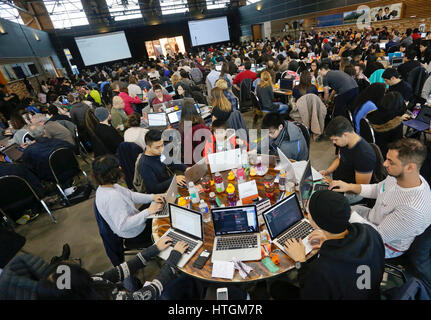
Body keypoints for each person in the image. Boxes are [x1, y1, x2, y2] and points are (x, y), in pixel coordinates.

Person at [270, 190, 385, 300]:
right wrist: (328, 241)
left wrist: (300, 260)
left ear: (317, 223)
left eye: (308, 212)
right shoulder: (370, 232)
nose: (307, 214)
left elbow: (308, 294)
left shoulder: (322, 269)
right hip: (368, 292)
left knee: (276, 287)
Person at [330, 138, 431, 259]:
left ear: (410, 167)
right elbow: (378, 189)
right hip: (372, 218)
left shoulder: (413, 210)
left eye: (391, 161)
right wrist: (349, 187)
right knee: (333, 216)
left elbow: (377, 236)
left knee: (332, 242)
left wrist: (350, 214)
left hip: (384, 244)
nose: (384, 164)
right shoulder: (399, 176)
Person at [0, 238, 190, 299]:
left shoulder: (87, 286)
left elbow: (118, 272)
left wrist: (153, 250)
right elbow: (147, 293)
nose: (74, 262)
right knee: (184, 282)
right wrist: (173, 261)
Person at [93, 154, 165, 247]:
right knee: (166, 221)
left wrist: (153, 197)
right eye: (117, 167)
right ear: (111, 174)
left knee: (161, 204)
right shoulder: (112, 197)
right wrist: (148, 212)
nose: (120, 167)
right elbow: (123, 225)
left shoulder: (107, 186)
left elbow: (131, 195)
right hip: (137, 233)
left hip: (136, 220)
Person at [321, 116, 376, 204]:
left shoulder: (364, 155)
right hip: (337, 181)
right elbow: (339, 159)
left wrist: (333, 183)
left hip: (350, 191)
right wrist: (327, 171)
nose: (333, 143)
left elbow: (360, 188)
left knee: (321, 203)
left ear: (345, 134)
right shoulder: (344, 143)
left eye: (335, 139)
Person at [137, 129, 188, 194]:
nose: (162, 149)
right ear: (148, 147)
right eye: (157, 147)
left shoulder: (160, 151)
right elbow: (154, 188)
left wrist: (186, 168)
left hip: (170, 185)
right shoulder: (144, 165)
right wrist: (173, 180)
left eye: (162, 145)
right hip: (162, 193)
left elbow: (171, 162)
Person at [0, 153, 44, 224]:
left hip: (7, 208)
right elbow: (36, 182)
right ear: (2, 157)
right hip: (30, 198)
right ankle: (33, 210)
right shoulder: (17, 167)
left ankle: (19, 217)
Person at [366, 91, 408, 156]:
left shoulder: (371, 114)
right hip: (385, 153)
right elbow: (397, 144)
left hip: (369, 147)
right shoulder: (396, 123)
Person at [178, 98, 209, 165]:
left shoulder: (183, 126)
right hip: (206, 155)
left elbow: (181, 144)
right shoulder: (201, 120)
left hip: (193, 161)